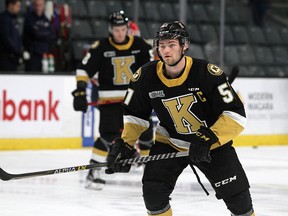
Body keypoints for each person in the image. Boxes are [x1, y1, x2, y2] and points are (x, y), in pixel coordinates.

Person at [105, 21, 255, 216]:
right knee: (153, 196)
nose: (166, 50)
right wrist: (125, 145)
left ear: (184, 45)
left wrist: (209, 137)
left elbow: (235, 115)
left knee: (240, 202)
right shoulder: (144, 76)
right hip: (171, 142)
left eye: (172, 45)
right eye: (162, 45)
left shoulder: (207, 73)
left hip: (212, 146)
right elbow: (134, 115)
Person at [72, 11, 153, 190]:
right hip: (110, 103)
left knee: (146, 136)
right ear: (111, 29)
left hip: (136, 101)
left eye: (123, 29)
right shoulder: (100, 47)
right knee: (108, 137)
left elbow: (154, 69)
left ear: (127, 29)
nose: (120, 33)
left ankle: (151, 174)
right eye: (116, 30)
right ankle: (93, 173)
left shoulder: (140, 45)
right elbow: (83, 70)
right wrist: (80, 91)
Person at [22, 0, 55, 72]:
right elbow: (35, 34)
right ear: (33, 6)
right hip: (33, 56)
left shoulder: (46, 19)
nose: (38, 7)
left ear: (43, 6)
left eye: (40, 5)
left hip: (45, 56)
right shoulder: (29, 18)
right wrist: (46, 34)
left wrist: (41, 33)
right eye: (36, 5)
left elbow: (52, 36)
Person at [0, 0, 22, 71]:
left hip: (13, 58)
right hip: (5, 59)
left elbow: (17, 37)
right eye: (17, 6)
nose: (19, 8)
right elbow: (6, 38)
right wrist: (17, 51)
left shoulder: (13, 18)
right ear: (10, 5)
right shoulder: (4, 18)